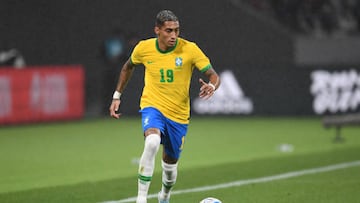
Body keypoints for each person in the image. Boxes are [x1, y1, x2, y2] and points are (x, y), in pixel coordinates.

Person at [109, 10, 220, 203]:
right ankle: (141, 198)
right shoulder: (144, 48)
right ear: (157, 30)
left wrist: (211, 86)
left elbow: (213, 75)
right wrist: (117, 95)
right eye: (169, 31)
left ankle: (164, 196)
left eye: (176, 30)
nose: (173, 35)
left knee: (170, 168)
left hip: (178, 115)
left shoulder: (190, 49)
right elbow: (128, 67)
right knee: (151, 142)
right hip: (153, 106)